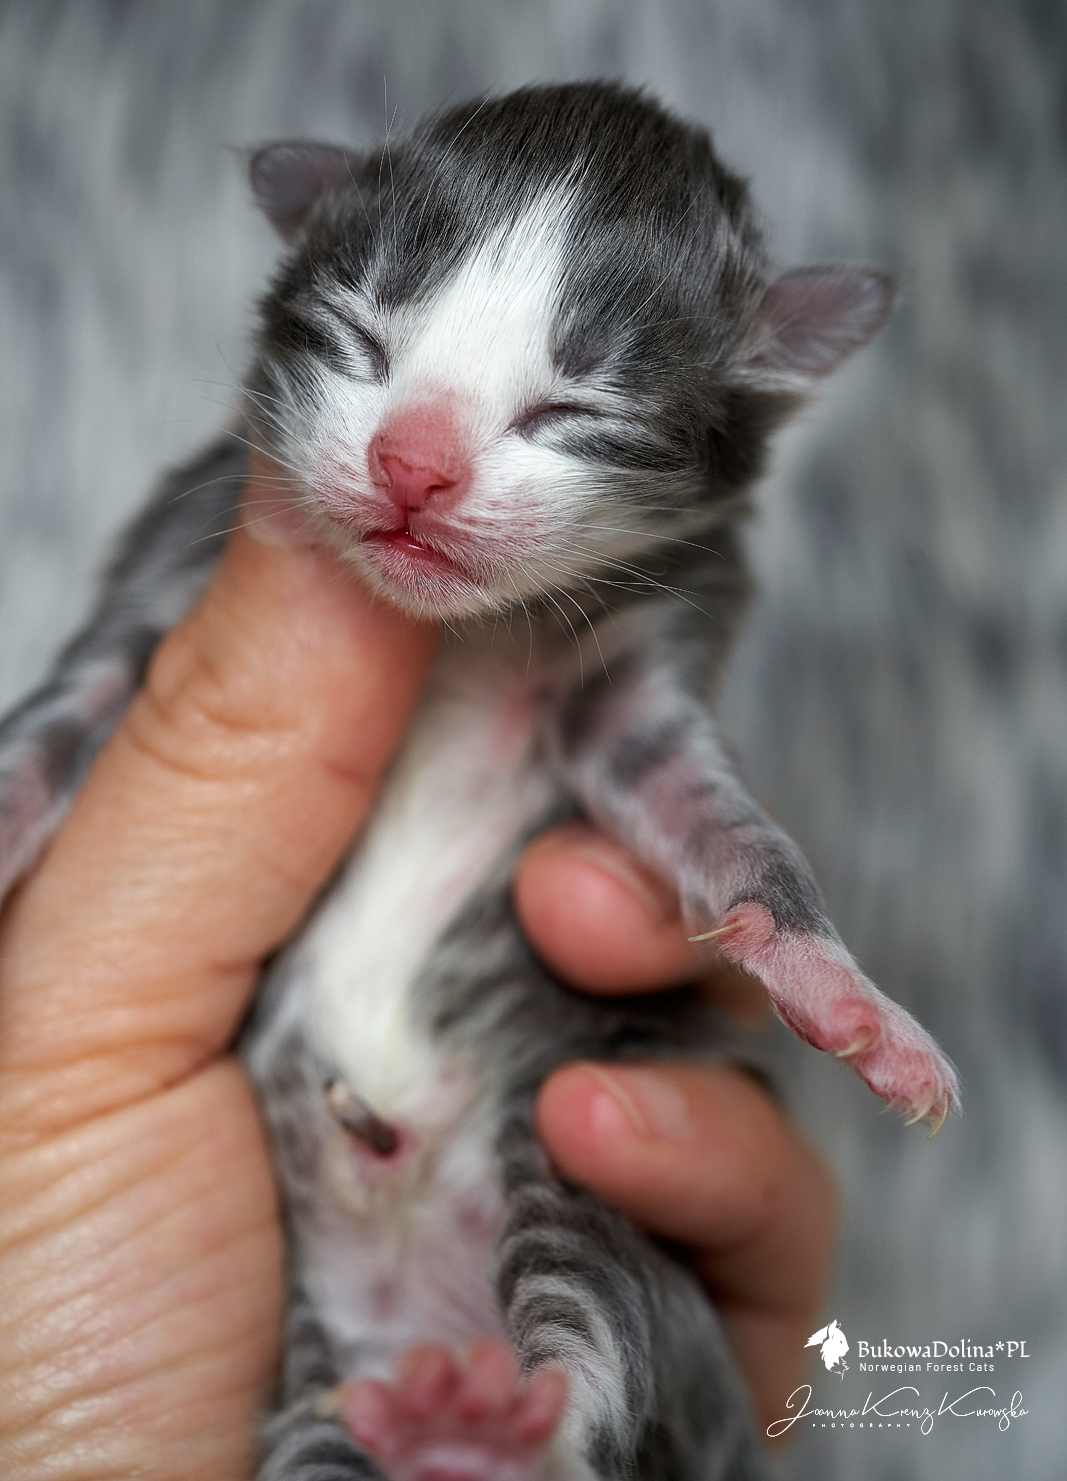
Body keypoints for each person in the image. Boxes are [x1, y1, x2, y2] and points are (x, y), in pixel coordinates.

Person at [0, 522, 837, 1479]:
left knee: (594, 1266)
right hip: (313, 1252)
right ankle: (547, 1427)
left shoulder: (603, 605)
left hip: (479, 1158)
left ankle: (562, 1423)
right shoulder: (274, 564)